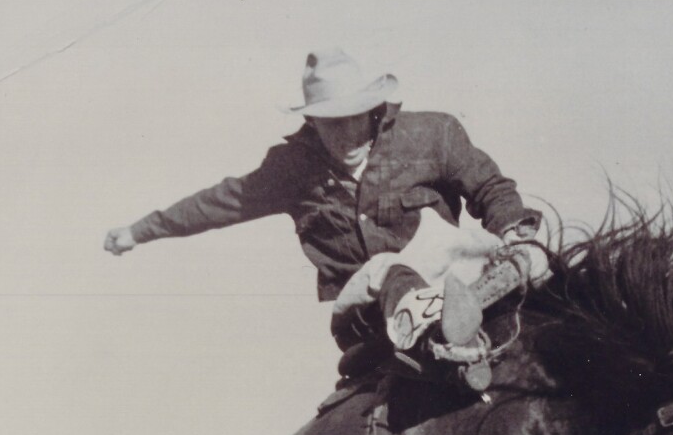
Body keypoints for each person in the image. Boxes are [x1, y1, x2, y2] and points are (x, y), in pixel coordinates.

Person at [103, 48, 544, 381]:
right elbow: (217, 204)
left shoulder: (433, 134)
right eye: (331, 122)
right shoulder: (290, 169)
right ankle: (433, 330)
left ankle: (498, 291)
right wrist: (138, 231)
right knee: (386, 267)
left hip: (457, 277)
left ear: (372, 108)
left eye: (354, 117)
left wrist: (514, 232)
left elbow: (492, 189)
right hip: (371, 310)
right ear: (312, 122)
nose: (346, 134)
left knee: (532, 269)